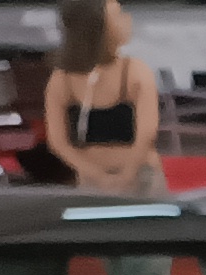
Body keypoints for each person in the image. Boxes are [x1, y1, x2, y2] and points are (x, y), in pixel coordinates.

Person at [43, 0, 163, 203]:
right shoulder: (62, 79)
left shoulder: (135, 72)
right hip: (91, 181)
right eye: (117, 16)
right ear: (95, 29)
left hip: (141, 177)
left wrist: (127, 175)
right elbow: (58, 142)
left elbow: (147, 133)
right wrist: (96, 175)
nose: (127, 20)